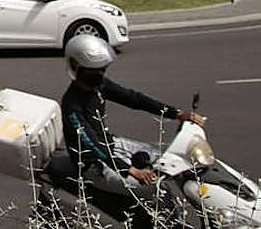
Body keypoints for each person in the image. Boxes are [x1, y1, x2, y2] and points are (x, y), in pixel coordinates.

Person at [61, 35, 205, 196]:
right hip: (95, 164)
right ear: (78, 67)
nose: (100, 73)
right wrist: (131, 170)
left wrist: (177, 114)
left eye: (103, 69)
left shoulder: (100, 85)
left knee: (168, 161)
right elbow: (92, 145)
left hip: (112, 145)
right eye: (95, 70)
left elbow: (135, 99)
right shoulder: (72, 105)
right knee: (154, 187)